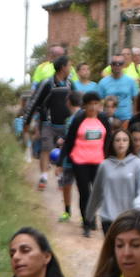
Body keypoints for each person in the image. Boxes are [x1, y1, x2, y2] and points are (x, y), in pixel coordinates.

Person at [60, 91, 111, 239]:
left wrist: (109, 157)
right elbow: (69, 140)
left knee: (98, 192)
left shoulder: (103, 118)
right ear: (85, 105)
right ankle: (87, 223)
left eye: (96, 104)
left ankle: (94, 218)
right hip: (80, 161)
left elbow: (109, 137)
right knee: (85, 193)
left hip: (99, 162)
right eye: (90, 104)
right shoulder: (78, 119)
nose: (93, 107)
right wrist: (61, 162)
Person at [85, 129, 140, 234]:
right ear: (112, 143)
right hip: (108, 218)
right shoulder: (105, 165)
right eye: (117, 140)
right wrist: (89, 215)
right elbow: (97, 192)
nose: (121, 143)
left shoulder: (138, 164)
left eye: (124, 140)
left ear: (129, 143)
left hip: (129, 219)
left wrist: (138, 206)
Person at [26, 57, 76, 192]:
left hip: (66, 125)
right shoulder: (46, 83)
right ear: (63, 67)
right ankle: (43, 177)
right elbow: (35, 101)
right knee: (46, 149)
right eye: (69, 65)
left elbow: (77, 102)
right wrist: (28, 120)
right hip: (48, 123)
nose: (70, 68)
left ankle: (60, 177)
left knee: (63, 151)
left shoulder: (71, 84)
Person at [58, 91, 83, 222]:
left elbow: (69, 139)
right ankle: (82, 215)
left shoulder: (73, 119)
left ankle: (68, 211)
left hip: (72, 158)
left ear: (68, 102)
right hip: (81, 158)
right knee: (81, 187)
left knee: (68, 185)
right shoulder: (82, 117)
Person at [98, 55, 140, 127]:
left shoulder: (130, 81)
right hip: (108, 121)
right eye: (114, 63)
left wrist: (134, 115)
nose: (117, 66)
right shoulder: (103, 82)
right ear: (110, 65)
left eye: (120, 63)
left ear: (123, 65)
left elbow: (136, 99)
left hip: (127, 119)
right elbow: (98, 101)